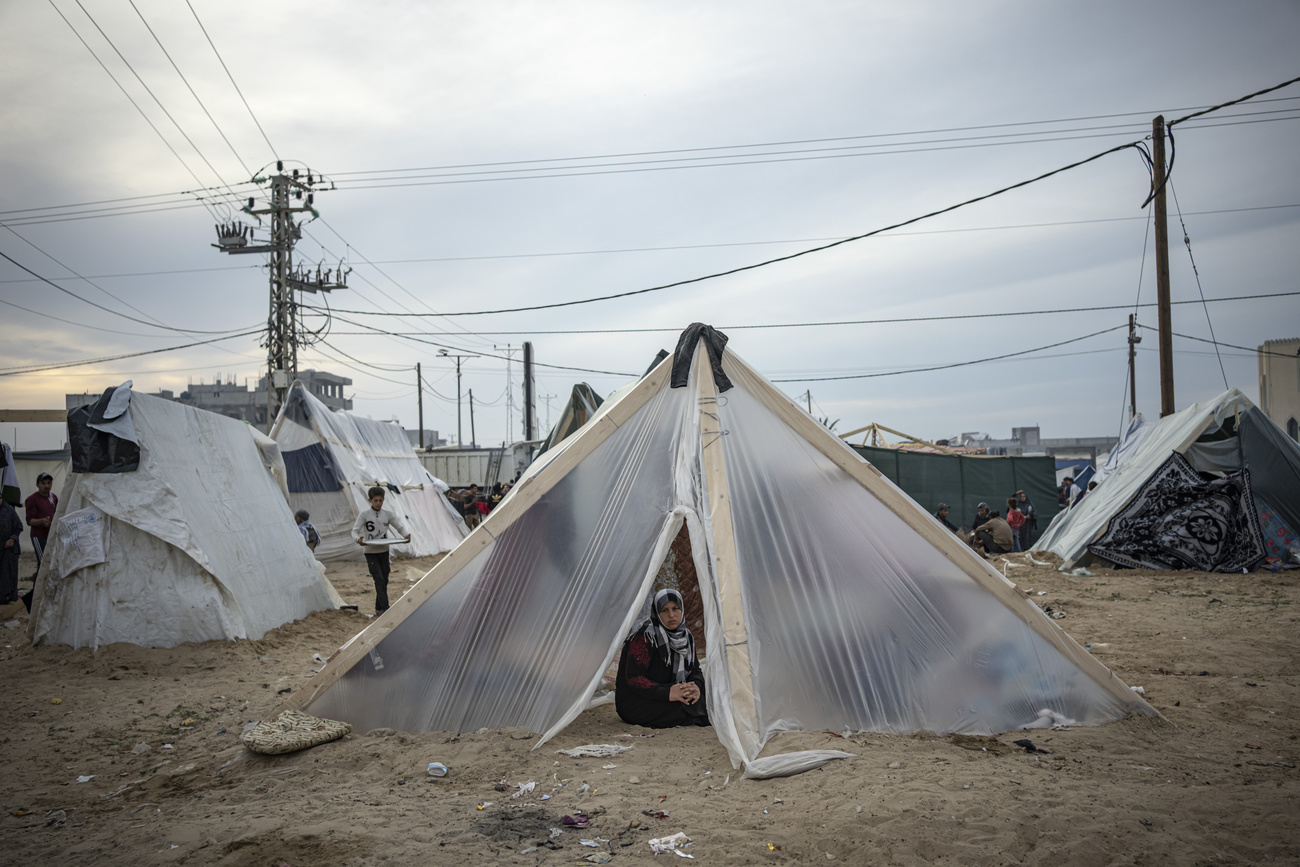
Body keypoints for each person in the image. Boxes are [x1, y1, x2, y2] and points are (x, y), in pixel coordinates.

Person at [615, 588, 710, 729]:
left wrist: (695, 686)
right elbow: (634, 678)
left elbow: (695, 670)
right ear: (657, 612)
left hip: (673, 693)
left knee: (708, 701)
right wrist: (668, 692)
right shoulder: (645, 637)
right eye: (664, 610)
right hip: (639, 701)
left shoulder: (686, 637)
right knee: (691, 708)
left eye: (675, 608)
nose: (671, 615)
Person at [351, 486, 410, 614]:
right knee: (378, 579)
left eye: (381, 500)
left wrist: (406, 535)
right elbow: (354, 531)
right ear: (370, 500)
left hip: (384, 551)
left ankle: (378, 608)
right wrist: (358, 539)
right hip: (370, 552)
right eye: (376, 500)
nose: (378, 503)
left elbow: (398, 525)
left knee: (385, 579)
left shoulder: (387, 514)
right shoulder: (364, 515)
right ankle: (386, 609)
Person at [24, 472, 57, 572]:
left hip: (51, 534)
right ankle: (37, 587)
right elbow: (29, 521)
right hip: (38, 536)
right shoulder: (32, 499)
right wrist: (42, 521)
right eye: (43, 483)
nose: (47, 486)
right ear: (37, 485)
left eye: (49, 483)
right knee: (43, 563)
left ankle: (46, 587)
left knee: (52, 562)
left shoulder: (53, 497)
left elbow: (56, 514)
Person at [0, 498, 21, 604]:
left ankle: (10, 598)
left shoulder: (9, 510)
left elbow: (19, 526)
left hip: (10, 549)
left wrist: (12, 539)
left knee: (10, 574)